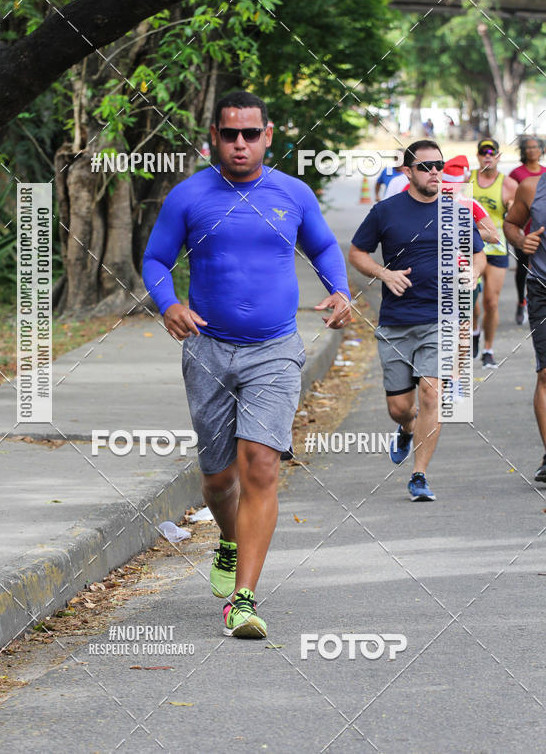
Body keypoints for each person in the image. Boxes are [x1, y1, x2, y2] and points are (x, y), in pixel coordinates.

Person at [142, 90, 351, 639]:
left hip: (275, 349)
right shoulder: (189, 197)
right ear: (214, 134)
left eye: (250, 134)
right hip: (208, 349)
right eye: (230, 133)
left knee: (260, 463)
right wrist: (169, 305)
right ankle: (228, 540)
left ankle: (244, 600)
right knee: (217, 479)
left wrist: (339, 290)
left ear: (268, 135)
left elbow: (326, 248)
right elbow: (156, 259)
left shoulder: (293, 193)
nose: (240, 143)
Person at [349, 140, 485, 502]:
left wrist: (471, 276)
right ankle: (406, 429)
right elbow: (357, 253)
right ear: (407, 172)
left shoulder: (456, 210)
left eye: (439, 165)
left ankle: (419, 475)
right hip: (396, 321)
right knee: (399, 408)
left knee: (431, 393)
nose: (435, 172)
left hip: (439, 318)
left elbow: (478, 254)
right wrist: (383, 273)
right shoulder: (385, 211)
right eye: (426, 166)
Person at [503, 174, 546, 482]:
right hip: (542, 287)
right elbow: (510, 224)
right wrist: (521, 240)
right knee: (545, 373)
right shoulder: (532, 187)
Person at [470, 138, 518, 368]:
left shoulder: (508, 184)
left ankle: (488, 348)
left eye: (492, 152)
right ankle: (475, 331)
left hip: (497, 248)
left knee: (491, 302)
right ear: (478, 156)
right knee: (471, 301)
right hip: (470, 247)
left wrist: (512, 208)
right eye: (483, 152)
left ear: (498, 156)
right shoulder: (466, 180)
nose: (487, 156)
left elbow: (518, 219)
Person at [509, 137, 546, 325]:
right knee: (523, 270)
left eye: (535, 147)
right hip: (529, 235)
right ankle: (521, 301)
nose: (532, 151)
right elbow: (512, 218)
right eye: (528, 148)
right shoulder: (520, 176)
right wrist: (521, 239)